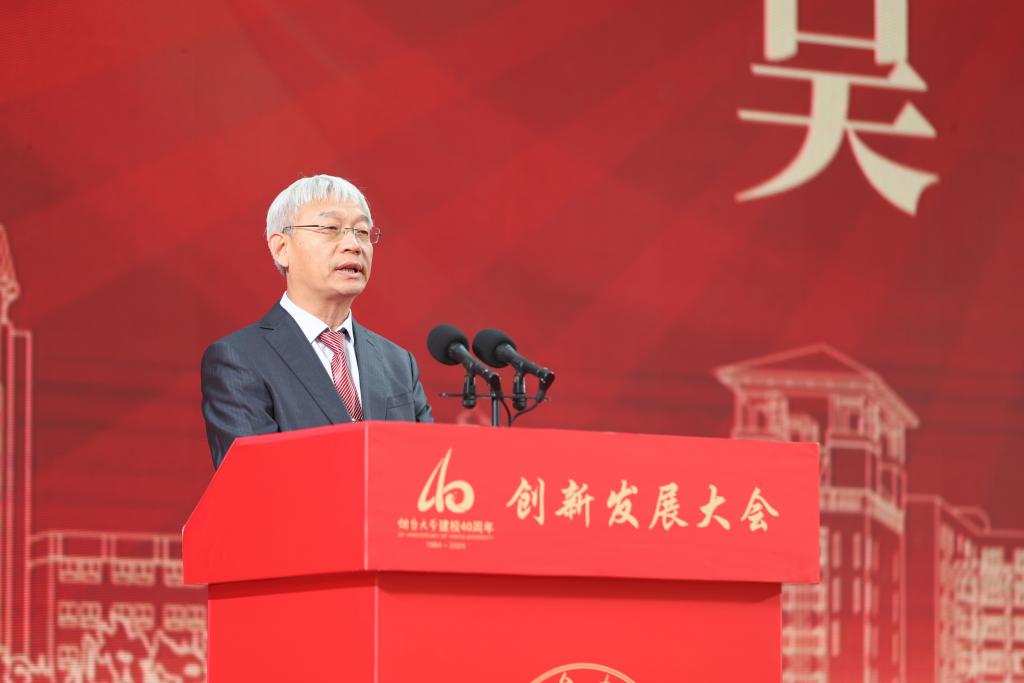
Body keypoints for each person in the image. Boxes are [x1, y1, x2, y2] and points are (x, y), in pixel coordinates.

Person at [201, 174, 432, 468]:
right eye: (331, 229)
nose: (353, 245)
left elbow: (429, 470)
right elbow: (255, 479)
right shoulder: (240, 359)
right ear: (281, 248)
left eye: (362, 232)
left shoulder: (398, 363)